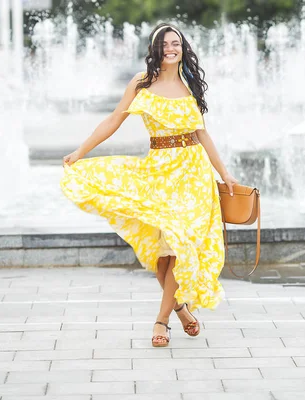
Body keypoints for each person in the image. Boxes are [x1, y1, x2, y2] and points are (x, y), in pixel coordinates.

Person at [60, 23, 237, 347]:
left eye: (177, 43)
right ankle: (181, 308)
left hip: (193, 176)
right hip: (159, 171)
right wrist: (80, 151)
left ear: (183, 48)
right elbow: (114, 120)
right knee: (162, 256)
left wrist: (224, 174)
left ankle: (161, 321)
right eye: (166, 44)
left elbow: (202, 134)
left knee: (181, 247)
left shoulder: (190, 82)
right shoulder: (142, 83)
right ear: (156, 48)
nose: (172, 48)